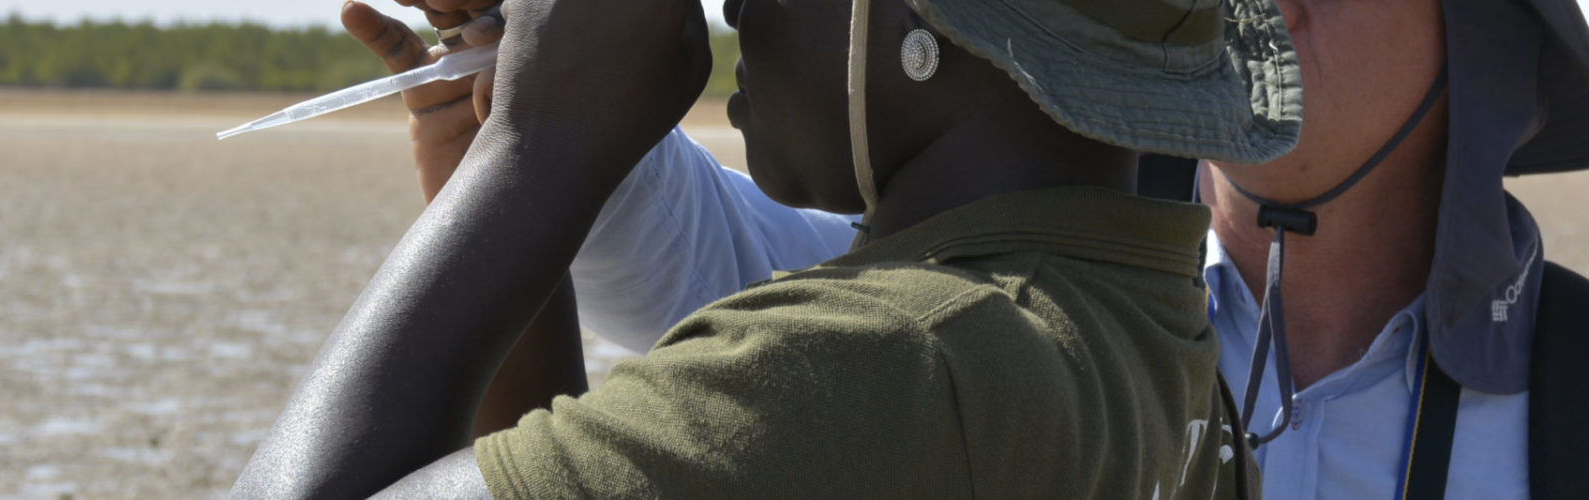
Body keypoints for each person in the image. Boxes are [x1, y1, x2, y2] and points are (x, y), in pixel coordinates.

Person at [368, 0, 1589, 498]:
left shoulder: (924, 344)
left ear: (1487, 46)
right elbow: (650, 231)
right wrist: (491, 71)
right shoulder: (1036, 297)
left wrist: (535, 144)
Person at [229, 0, 1305, 497]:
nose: (737, 6)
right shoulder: (1160, 347)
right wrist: (491, 160)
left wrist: (536, 159)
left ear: (926, 31)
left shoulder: (891, 363)